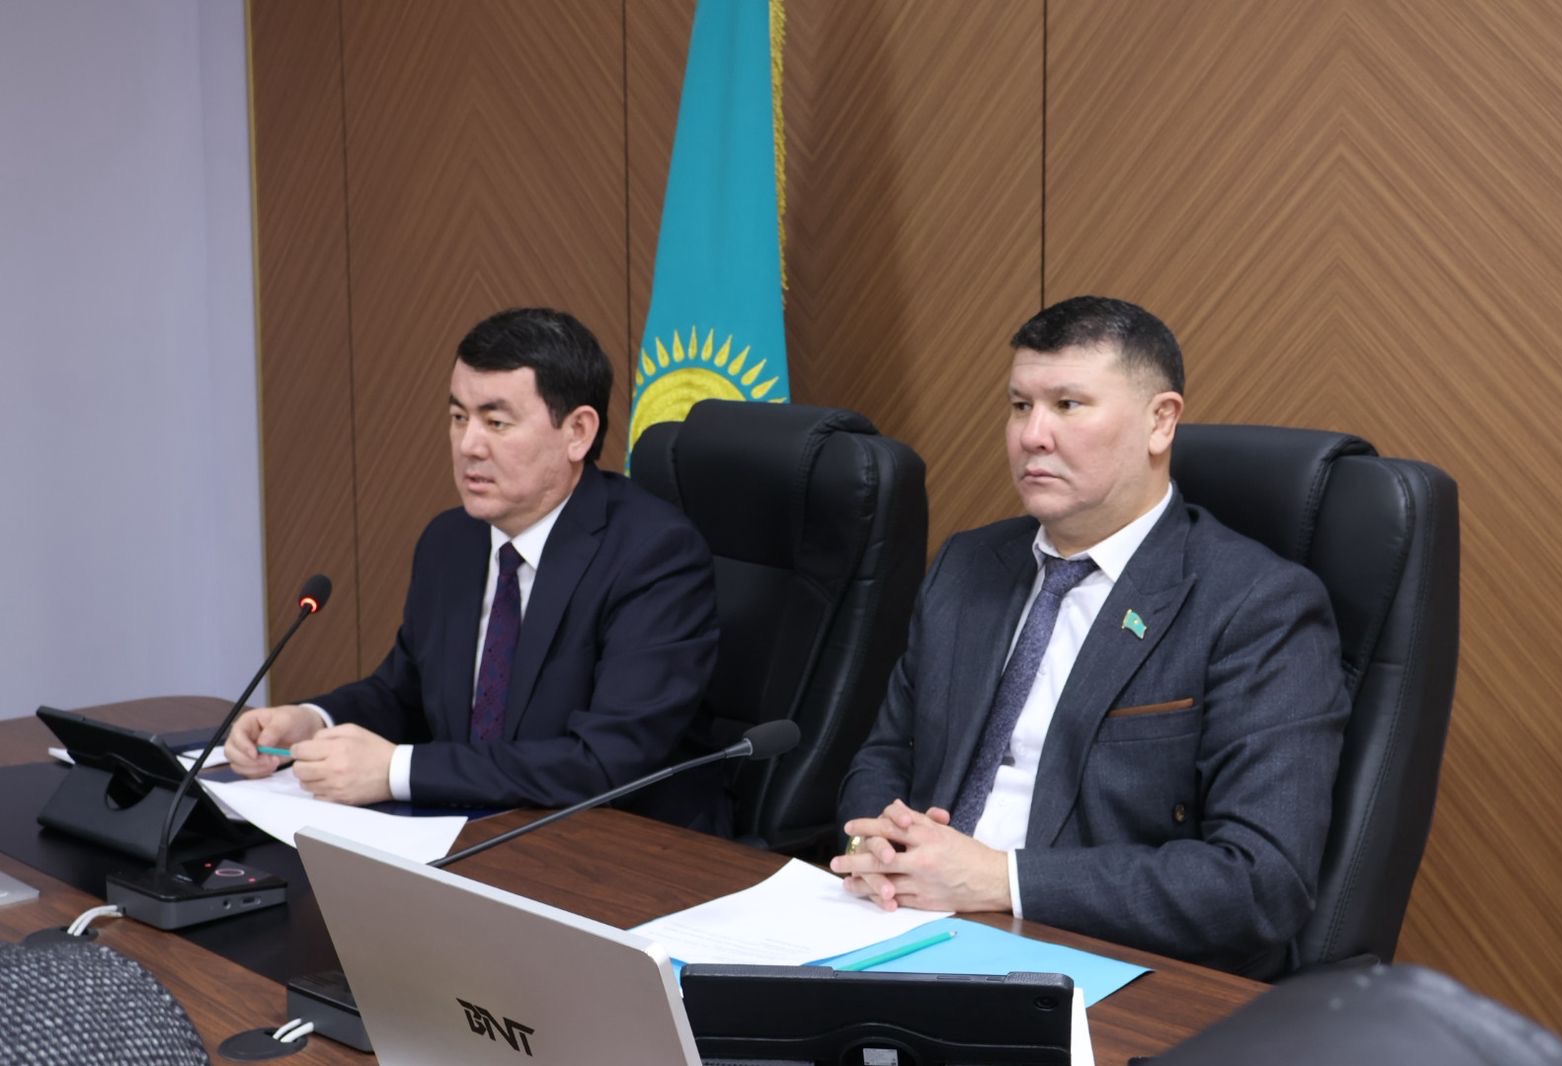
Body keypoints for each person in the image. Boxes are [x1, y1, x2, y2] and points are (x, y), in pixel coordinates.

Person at [832, 296, 1350, 978]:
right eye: (1020, 405)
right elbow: (886, 753)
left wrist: (1001, 880)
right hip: (905, 925)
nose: (1032, 436)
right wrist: (877, 848)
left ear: (1160, 422)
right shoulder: (968, 565)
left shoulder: (1258, 605)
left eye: (1068, 405)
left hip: (1101, 962)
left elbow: (1260, 881)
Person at [224, 307, 727, 832]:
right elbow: (405, 695)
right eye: (459, 417)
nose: (468, 446)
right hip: (472, 834)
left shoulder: (653, 556)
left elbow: (603, 762)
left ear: (577, 432)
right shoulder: (451, 542)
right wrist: (311, 721)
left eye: (496, 422)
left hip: (623, 848)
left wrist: (397, 771)